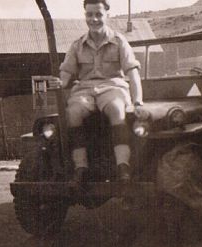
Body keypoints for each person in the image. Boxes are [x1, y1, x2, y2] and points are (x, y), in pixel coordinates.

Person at [52, 0, 143, 184]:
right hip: (85, 90)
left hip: (112, 87)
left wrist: (138, 101)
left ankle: (123, 166)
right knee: (73, 113)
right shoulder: (77, 45)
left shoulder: (118, 41)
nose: (94, 19)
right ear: (85, 15)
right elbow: (66, 72)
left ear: (107, 15)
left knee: (117, 109)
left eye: (98, 14)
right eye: (89, 14)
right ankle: (81, 167)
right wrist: (60, 82)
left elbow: (132, 73)